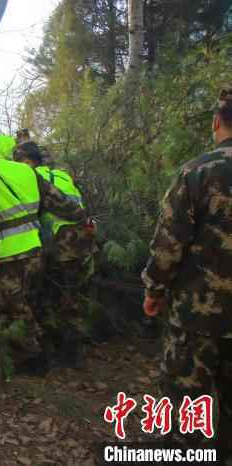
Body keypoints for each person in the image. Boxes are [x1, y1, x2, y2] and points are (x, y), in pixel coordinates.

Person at [141, 86, 232, 451]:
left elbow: (168, 244)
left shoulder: (198, 171)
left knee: (187, 400)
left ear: (216, 123)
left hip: (199, 317)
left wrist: (154, 290)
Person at [0, 128, 87, 375]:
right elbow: (60, 202)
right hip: (36, 252)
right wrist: (83, 218)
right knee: (33, 301)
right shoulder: (26, 171)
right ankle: (50, 349)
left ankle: (34, 359)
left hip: (8, 256)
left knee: (14, 308)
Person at [13, 142, 96, 368]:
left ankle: (65, 352)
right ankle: (73, 346)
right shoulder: (62, 174)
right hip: (83, 241)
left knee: (56, 296)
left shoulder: (32, 176)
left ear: (26, 161)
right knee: (75, 294)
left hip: (61, 242)